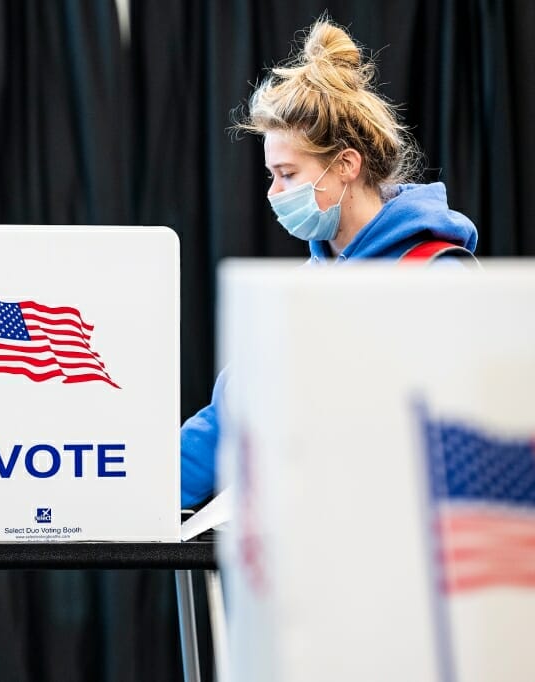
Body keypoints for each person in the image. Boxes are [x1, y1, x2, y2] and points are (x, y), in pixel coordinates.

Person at [180, 18, 479, 508]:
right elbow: (228, 420)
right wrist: (134, 496)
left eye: (287, 174)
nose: (273, 193)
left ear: (346, 165)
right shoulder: (296, 293)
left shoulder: (438, 275)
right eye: (271, 175)